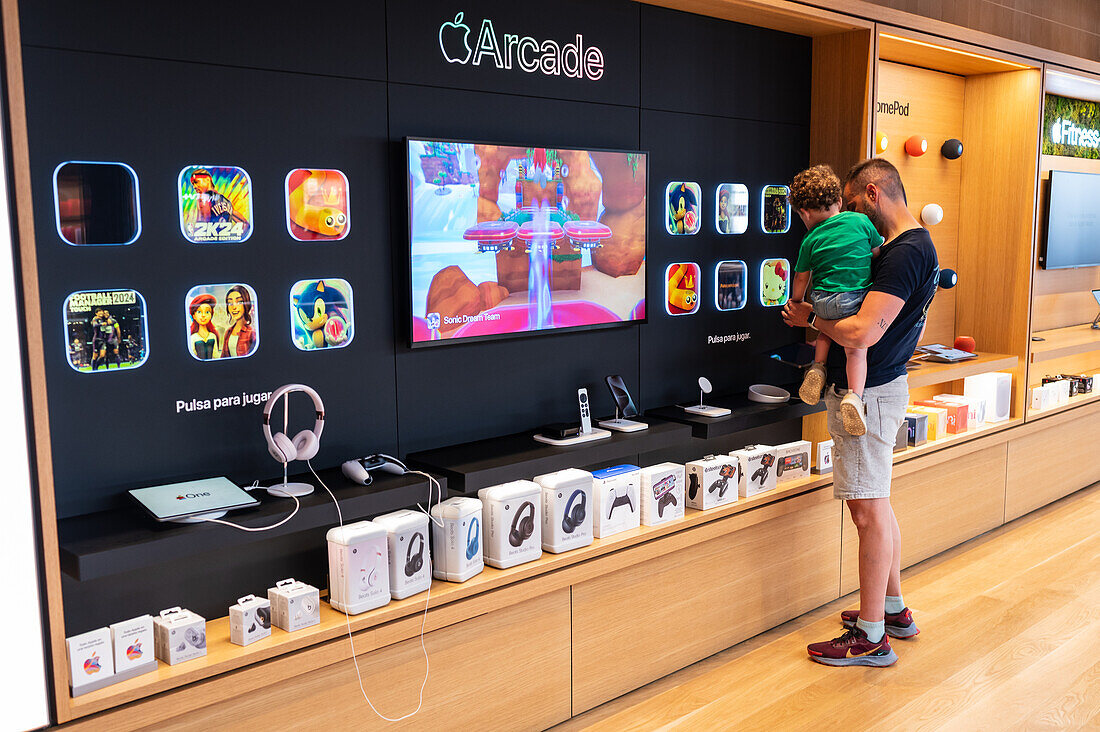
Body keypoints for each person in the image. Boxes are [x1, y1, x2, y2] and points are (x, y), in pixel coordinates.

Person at [782, 158, 939, 667]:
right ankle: (891, 610)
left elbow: (861, 334)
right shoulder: (904, 247)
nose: (846, 215)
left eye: (851, 204)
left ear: (871, 193)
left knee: (867, 512)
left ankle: (871, 637)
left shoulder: (904, 252)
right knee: (877, 503)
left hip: (867, 396)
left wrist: (810, 318)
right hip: (881, 388)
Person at [788, 165, 882, 434]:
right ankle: (855, 395)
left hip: (822, 298)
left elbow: (801, 277)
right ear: (839, 201)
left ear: (804, 213)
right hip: (853, 298)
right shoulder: (861, 222)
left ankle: (818, 368)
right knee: (855, 348)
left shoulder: (810, 238)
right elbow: (876, 253)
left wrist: (796, 302)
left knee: (826, 329)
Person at [220, 285, 256, 358]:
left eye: (239, 302)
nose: (234, 307)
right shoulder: (228, 332)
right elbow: (223, 357)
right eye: (230, 303)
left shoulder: (251, 333)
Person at [188, 293, 221, 360]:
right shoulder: (192, 338)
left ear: (211, 315)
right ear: (194, 315)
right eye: (199, 312)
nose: (203, 315)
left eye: (207, 312)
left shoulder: (213, 336)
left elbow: (216, 355)